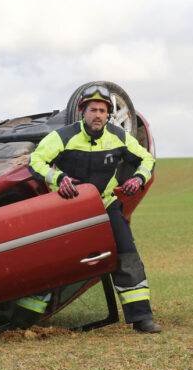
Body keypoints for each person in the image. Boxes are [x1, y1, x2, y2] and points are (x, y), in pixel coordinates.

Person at [28, 84, 161, 334]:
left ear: (108, 114)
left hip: (106, 205)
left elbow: (147, 159)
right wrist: (59, 179)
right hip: (68, 208)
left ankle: (142, 318)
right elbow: (36, 160)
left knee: (128, 256)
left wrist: (138, 179)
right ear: (83, 112)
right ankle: (27, 319)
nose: (97, 115)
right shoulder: (63, 136)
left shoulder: (118, 136)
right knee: (50, 260)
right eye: (92, 110)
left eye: (102, 110)